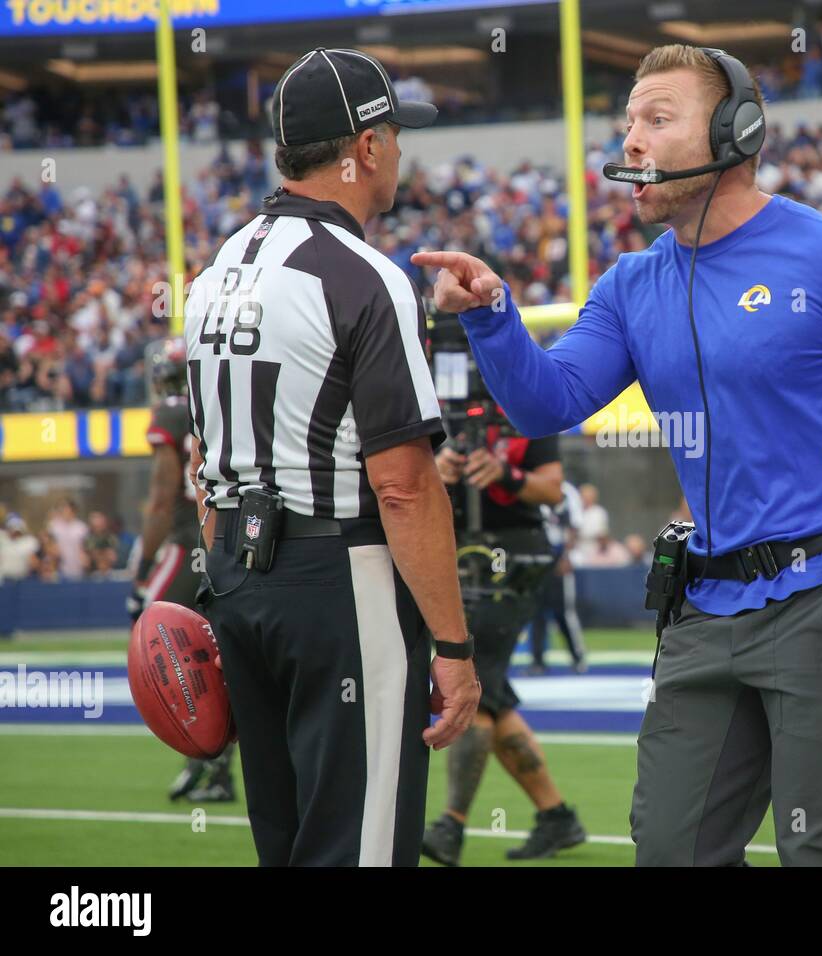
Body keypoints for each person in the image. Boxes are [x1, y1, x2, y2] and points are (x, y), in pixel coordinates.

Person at [414, 45, 822, 866]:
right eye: (628, 124)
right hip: (700, 605)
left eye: (658, 119)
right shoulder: (629, 285)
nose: (632, 143)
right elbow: (547, 402)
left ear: (736, 132)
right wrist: (491, 316)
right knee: (671, 849)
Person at [184, 47, 478, 866]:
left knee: (285, 846)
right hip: (339, 581)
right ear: (368, 146)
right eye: (392, 133)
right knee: (361, 848)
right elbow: (404, 485)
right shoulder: (364, 276)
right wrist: (454, 650)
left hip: (239, 581)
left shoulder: (214, 273)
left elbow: (201, 456)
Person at [420, 381, 587, 866]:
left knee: (476, 686)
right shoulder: (439, 405)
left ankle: (451, 824)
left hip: (512, 555)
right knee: (492, 692)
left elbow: (551, 489)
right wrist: (440, 470)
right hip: (460, 550)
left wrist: (506, 475)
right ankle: (556, 816)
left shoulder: (530, 405)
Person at [127, 336, 238, 802]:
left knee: (162, 643)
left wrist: (143, 566)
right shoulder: (220, 401)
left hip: (185, 542)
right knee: (220, 653)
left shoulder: (169, 415)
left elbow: (161, 496)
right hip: (225, 541)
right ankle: (211, 764)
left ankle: (208, 757)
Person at [527, 480, 588, 674]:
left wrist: (565, 556)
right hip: (536, 553)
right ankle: (537, 661)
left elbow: (573, 526)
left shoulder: (567, 491)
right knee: (535, 611)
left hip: (557, 553)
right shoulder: (530, 486)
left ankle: (577, 657)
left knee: (563, 611)